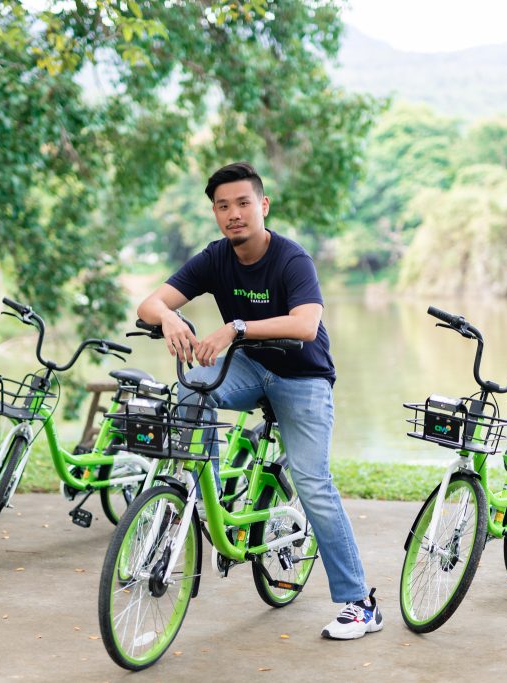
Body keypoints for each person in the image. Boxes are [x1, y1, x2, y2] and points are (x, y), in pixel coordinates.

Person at [136, 161, 382, 640]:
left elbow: (306, 324)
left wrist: (235, 328)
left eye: (243, 203)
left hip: (303, 375)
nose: (234, 213)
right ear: (215, 213)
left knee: (313, 483)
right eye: (223, 206)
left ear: (262, 205)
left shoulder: (292, 259)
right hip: (249, 368)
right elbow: (150, 302)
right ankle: (199, 494)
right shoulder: (215, 257)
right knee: (192, 386)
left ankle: (361, 603)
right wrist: (168, 318)